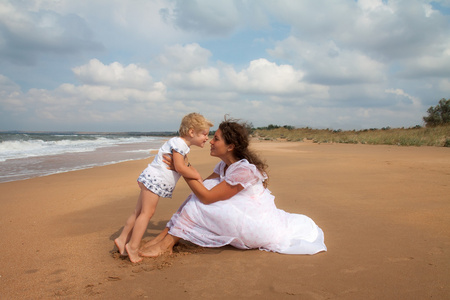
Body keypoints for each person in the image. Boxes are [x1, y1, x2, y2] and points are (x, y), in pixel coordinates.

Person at [138, 118, 326, 257]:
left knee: (199, 202)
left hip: (257, 226)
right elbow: (203, 187)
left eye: (216, 139)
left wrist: (185, 168)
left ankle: (166, 244)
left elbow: (206, 198)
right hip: (245, 215)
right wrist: (186, 169)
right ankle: (163, 237)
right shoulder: (224, 166)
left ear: (230, 147)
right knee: (201, 191)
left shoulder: (244, 171)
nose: (210, 141)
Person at [114, 112, 213, 263]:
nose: (207, 138)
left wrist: (193, 171)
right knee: (147, 214)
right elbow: (180, 167)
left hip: (151, 178)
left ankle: (122, 239)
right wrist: (197, 177)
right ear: (191, 132)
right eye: (204, 134)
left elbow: (183, 165)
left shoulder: (179, 144)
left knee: (138, 212)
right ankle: (132, 247)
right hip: (155, 180)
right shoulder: (180, 145)